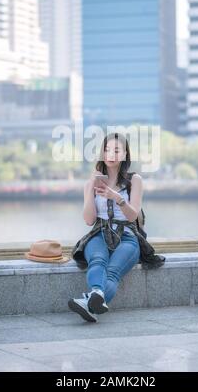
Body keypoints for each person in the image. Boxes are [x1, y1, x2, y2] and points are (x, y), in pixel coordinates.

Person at [68, 132, 164, 323]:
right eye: (106, 150)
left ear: (125, 155)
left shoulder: (134, 180)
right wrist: (90, 189)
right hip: (99, 233)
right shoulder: (92, 182)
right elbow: (88, 220)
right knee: (97, 260)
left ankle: (89, 304)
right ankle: (95, 298)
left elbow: (132, 215)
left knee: (112, 271)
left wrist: (116, 197)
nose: (110, 154)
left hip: (127, 236)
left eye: (116, 150)